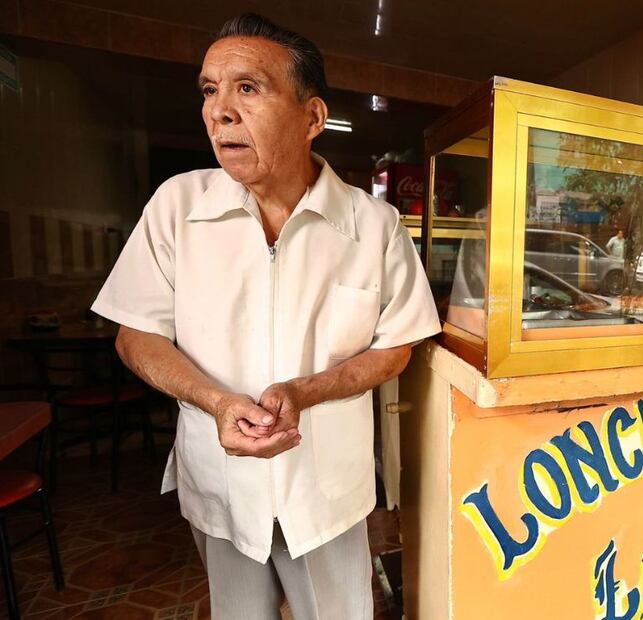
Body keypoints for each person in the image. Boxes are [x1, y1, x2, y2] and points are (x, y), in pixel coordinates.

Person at [90, 13, 440, 619]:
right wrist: (217, 402)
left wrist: (306, 390)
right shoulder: (178, 206)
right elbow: (135, 333)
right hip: (220, 484)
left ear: (311, 118)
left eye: (248, 88)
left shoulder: (373, 226)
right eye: (209, 90)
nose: (219, 110)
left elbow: (396, 346)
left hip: (325, 491)